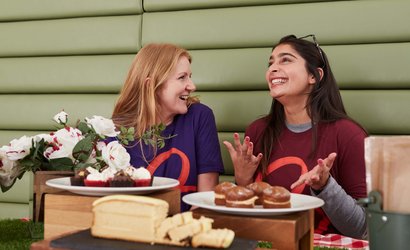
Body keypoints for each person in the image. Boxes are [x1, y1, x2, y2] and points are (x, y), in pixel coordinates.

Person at [224, 34, 368, 239]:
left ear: (314, 76)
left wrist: (325, 186)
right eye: (271, 62)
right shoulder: (257, 131)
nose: (273, 68)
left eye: (286, 60)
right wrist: (243, 182)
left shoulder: (349, 135)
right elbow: (245, 221)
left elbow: (362, 229)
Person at [111, 43, 224, 211]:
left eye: (190, 76)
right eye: (182, 77)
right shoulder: (114, 133)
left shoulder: (200, 117)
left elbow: (205, 201)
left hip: (185, 230)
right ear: (151, 86)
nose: (192, 86)